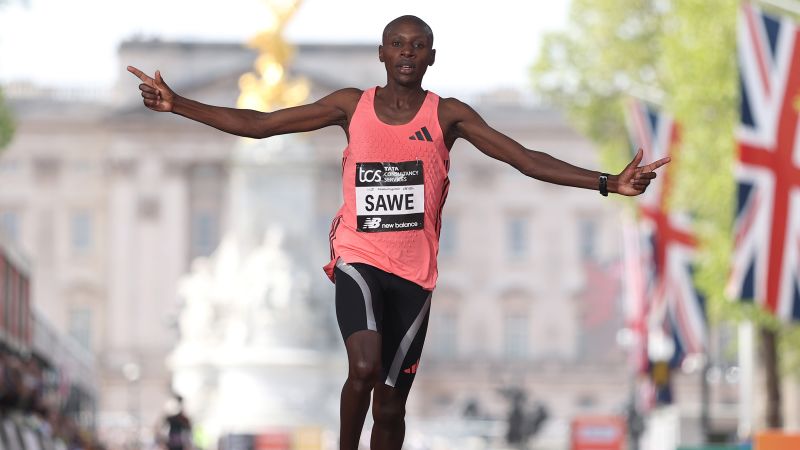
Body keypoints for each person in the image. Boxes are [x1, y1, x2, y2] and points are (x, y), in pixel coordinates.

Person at [128, 15, 669, 450]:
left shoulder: (449, 115)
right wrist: (179, 105)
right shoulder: (350, 105)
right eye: (397, 44)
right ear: (382, 55)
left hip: (414, 276)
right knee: (362, 368)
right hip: (359, 260)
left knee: (390, 405)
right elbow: (262, 124)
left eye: (418, 45)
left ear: (431, 57)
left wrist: (607, 182)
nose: (407, 53)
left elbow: (524, 158)